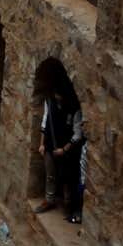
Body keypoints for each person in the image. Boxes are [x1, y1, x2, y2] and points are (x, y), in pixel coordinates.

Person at [34, 85, 85, 223]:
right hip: (50, 145)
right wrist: (42, 144)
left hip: (66, 150)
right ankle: (49, 200)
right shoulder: (50, 102)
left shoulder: (75, 110)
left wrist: (65, 149)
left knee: (67, 178)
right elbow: (45, 122)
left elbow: (78, 134)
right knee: (50, 174)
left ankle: (68, 205)